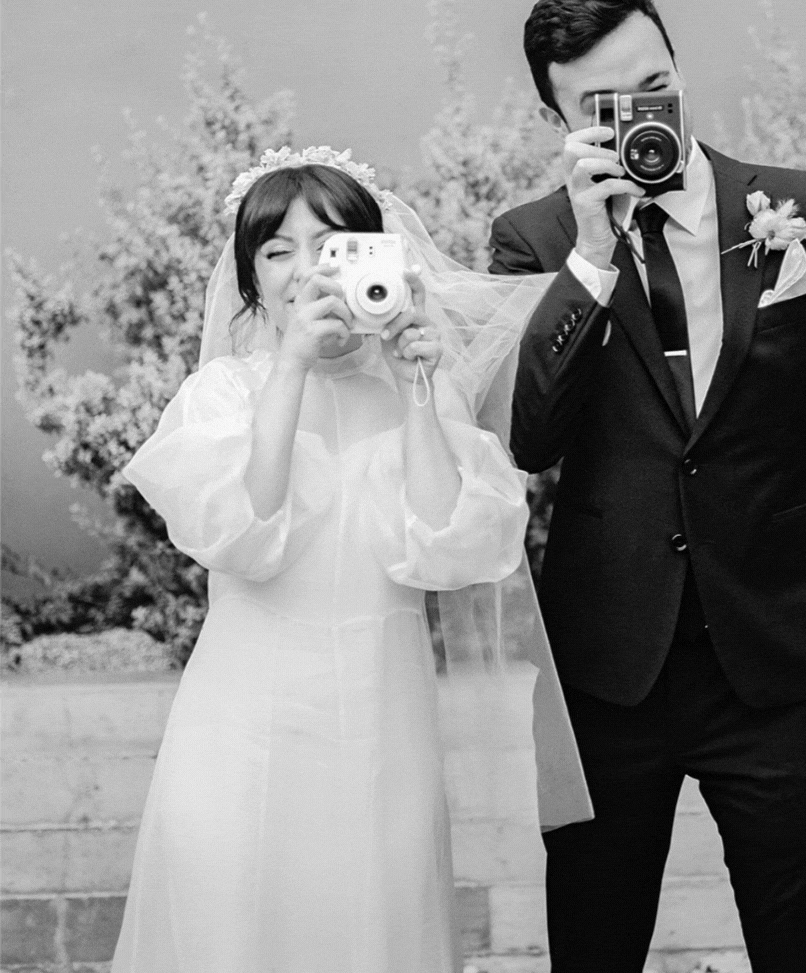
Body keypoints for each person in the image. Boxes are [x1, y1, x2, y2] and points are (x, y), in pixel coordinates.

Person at [488, 0, 806, 973]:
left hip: (779, 665)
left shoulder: (805, 211)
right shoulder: (533, 241)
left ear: (678, 65)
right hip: (605, 677)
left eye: (655, 82)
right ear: (560, 120)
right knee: (593, 950)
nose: (643, 117)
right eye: (603, 106)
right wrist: (590, 258)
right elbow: (527, 438)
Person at [111, 148, 588, 973]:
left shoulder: (418, 385)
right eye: (278, 250)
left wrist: (418, 390)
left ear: (377, 257)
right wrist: (291, 364)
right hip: (244, 723)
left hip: (381, 724)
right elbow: (245, 535)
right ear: (250, 277)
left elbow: (449, 547)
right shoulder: (221, 393)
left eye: (333, 243)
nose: (308, 269)